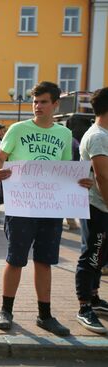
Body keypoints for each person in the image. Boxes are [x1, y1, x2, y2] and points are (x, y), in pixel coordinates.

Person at [0, 81, 92, 336]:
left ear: (55, 104)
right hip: (21, 206)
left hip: (50, 207)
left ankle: (45, 315)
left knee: (45, 261)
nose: (37, 106)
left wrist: (79, 181)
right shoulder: (17, 129)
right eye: (35, 101)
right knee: (15, 259)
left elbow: (64, 170)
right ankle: (5, 310)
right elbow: (0, 157)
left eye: (43, 101)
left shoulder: (64, 134)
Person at [74, 87, 108, 334]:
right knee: (92, 255)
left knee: (101, 255)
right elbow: (102, 176)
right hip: (98, 205)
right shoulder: (98, 136)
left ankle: (94, 298)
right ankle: (84, 306)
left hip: (102, 206)